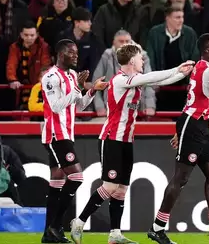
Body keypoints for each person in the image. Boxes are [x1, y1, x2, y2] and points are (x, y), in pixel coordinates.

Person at [70, 44, 194, 244]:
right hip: (111, 139)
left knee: (121, 189)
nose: (143, 61)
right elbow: (151, 77)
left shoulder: (133, 81)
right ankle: (79, 220)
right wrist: (177, 68)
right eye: (140, 58)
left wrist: (183, 73)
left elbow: (160, 79)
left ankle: (115, 234)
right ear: (131, 61)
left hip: (126, 141)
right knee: (109, 186)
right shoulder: (120, 80)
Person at [148, 34, 209, 244]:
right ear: (208, 50)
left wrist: (179, 129)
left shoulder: (204, 70)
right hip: (193, 124)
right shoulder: (208, 70)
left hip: (200, 123)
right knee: (180, 178)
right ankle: (157, 228)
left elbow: (193, 100)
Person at [41, 39, 108, 243]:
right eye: (72, 53)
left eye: (77, 52)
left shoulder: (71, 75)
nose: (76, 56)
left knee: (57, 182)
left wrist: (92, 90)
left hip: (67, 133)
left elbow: (80, 104)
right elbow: (56, 106)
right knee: (77, 177)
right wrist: (77, 88)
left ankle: (48, 234)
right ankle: (55, 225)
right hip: (55, 134)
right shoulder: (50, 77)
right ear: (61, 54)